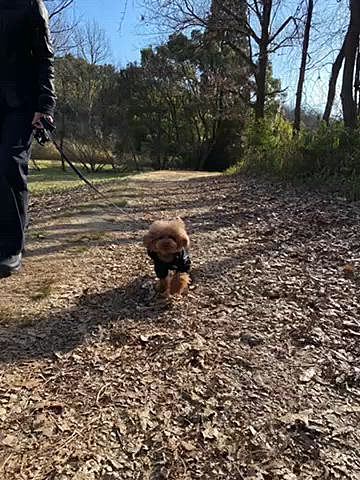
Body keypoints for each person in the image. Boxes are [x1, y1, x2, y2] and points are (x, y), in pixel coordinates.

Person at [0, 0, 56, 277]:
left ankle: (11, 247)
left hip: (20, 105)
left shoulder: (31, 5)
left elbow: (44, 58)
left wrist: (45, 107)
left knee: (10, 165)